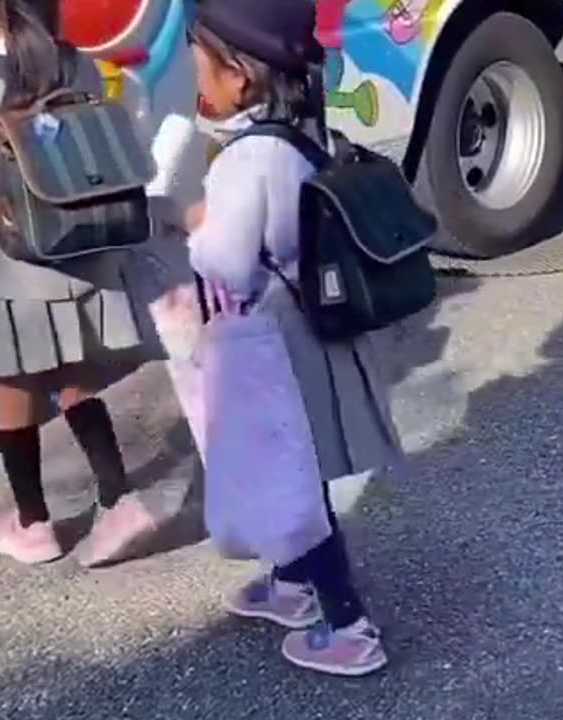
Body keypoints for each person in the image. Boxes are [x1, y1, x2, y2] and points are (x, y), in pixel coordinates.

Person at [183, 0, 404, 677]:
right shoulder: (298, 134)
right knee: (284, 472)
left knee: (292, 484)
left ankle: (349, 624)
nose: (196, 81)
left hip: (273, 346)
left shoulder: (243, 161)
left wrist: (193, 223)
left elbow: (223, 261)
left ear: (239, 78)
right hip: (304, 326)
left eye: (201, 66)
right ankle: (289, 585)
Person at [0, 0, 153, 568]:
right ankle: (119, 498)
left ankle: (33, 523)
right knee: (75, 375)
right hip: (79, 245)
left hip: (7, 259)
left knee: (15, 388)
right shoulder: (72, 63)